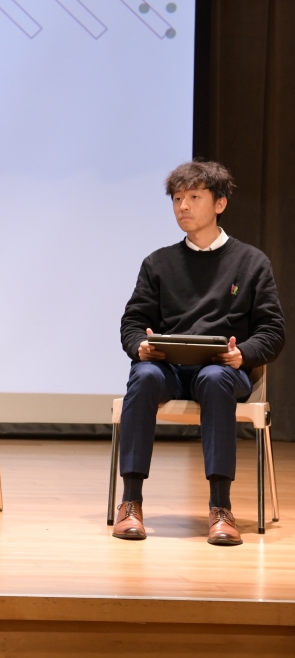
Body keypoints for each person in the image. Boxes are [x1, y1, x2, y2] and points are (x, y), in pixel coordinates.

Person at [112, 160, 284, 546]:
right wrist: (140, 345)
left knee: (216, 377)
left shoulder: (251, 262)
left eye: (193, 197)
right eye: (177, 199)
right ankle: (131, 502)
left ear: (219, 204)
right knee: (143, 373)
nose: (183, 206)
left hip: (224, 369)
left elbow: (273, 331)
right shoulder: (158, 263)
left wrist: (243, 355)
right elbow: (133, 322)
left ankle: (221, 508)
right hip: (169, 370)